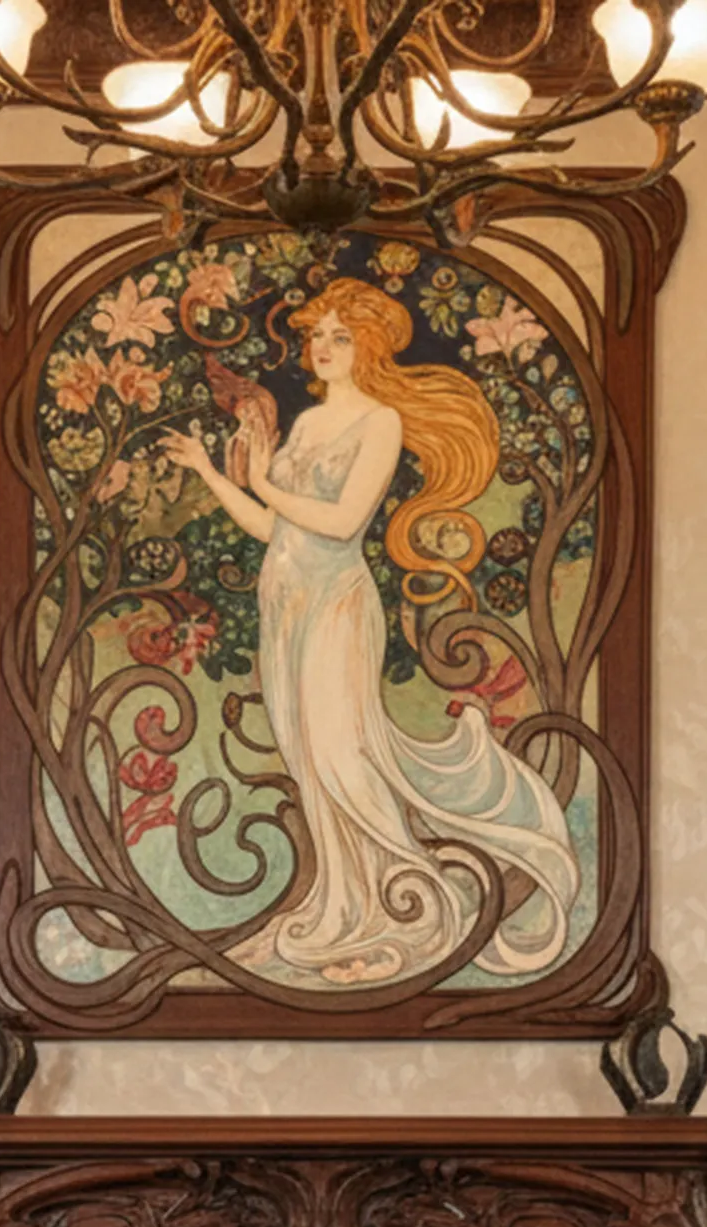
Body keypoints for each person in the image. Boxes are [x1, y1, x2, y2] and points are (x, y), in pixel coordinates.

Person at [161, 277, 579, 987]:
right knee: (309, 763)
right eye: (316, 335)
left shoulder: (379, 422)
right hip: (284, 604)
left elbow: (342, 522)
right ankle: (338, 914)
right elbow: (276, 530)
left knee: (343, 758)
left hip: (335, 606)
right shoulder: (305, 426)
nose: (322, 348)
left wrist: (264, 481)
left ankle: (402, 914)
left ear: (369, 346)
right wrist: (212, 472)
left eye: (340, 336)